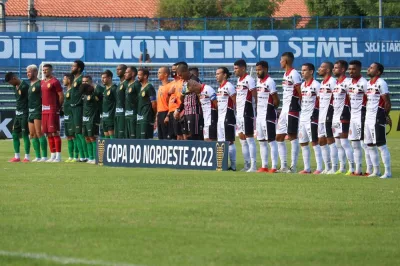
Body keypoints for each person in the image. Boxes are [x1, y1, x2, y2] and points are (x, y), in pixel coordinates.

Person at [276, 52, 302, 173]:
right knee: (279, 136)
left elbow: (300, 91)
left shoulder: (294, 74)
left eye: (281, 60)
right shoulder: (286, 75)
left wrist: (300, 106)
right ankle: (284, 166)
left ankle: (293, 166)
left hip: (292, 108)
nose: (280, 62)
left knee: (292, 136)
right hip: (284, 109)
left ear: (285, 61)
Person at [365, 62, 392, 178]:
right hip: (368, 117)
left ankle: (388, 172)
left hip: (377, 117)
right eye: (369, 67)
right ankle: (376, 171)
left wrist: (385, 116)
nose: (369, 69)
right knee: (370, 145)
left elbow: (387, 102)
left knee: (381, 145)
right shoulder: (368, 84)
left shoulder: (381, 83)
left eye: (371, 68)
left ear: (378, 72)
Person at [255, 61, 279, 173]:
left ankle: (274, 167)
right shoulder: (258, 81)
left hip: (268, 115)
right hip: (259, 116)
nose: (257, 72)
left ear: (265, 69)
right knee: (261, 141)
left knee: (271, 141)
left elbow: (276, 100)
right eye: (256, 70)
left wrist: (270, 109)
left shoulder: (270, 82)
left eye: (259, 70)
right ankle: (264, 166)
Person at [348, 60, 371, 176]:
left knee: (364, 144)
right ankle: (358, 170)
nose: (351, 71)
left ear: (359, 69)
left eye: (354, 69)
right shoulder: (349, 83)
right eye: (350, 69)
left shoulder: (364, 83)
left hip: (362, 116)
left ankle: (369, 170)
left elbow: (369, 99)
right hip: (353, 117)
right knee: (355, 144)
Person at [298, 63, 322, 174]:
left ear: (311, 72)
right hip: (302, 118)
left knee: (315, 142)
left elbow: (320, 101)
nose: (302, 72)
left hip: (312, 118)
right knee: (303, 143)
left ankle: (319, 168)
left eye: (305, 70)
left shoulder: (317, 85)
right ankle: (307, 168)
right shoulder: (302, 85)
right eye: (302, 70)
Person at [234, 59, 257, 172]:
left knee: (249, 138)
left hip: (247, 112)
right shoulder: (239, 80)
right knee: (242, 138)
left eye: (236, 68)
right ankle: (247, 164)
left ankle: (253, 165)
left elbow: (254, 95)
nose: (235, 71)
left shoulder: (249, 80)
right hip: (239, 113)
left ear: (243, 68)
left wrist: (255, 109)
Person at [332, 60, 354, 174]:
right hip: (335, 116)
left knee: (345, 142)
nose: (333, 69)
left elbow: (351, 99)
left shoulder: (348, 82)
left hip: (343, 115)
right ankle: (342, 168)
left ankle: (352, 168)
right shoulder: (336, 83)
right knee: (338, 144)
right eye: (334, 67)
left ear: (342, 69)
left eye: (336, 67)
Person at [317, 62, 338, 174]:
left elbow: (337, 98)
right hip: (321, 116)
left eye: (322, 67)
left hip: (329, 116)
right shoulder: (322, 83)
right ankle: (327, 167)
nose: (319, 69)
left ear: (328, 70)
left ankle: (334, 168)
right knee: (321, 141)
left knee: (331, 140)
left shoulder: (332, 82)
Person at [184, 71, 217, 141]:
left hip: (211, 119)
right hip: (206, 120)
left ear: (195, 85)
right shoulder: (200, 93)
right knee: (206, 140)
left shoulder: (208, 89)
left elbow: (216, 104)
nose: (194, 92)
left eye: (194, 90)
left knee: (212, 141)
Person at [5, 72, 31, 162]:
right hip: (18, 113)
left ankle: (27, 157)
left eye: (10, 82)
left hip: (25, 113)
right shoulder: (14, 86)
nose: (10, 84)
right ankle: (17, 156)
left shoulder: (24, 86)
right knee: (15, 134)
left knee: (24, 134)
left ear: (14, 78)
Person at [40, 64, 64, 162]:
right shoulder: (42, 82)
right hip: (44, 110)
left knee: (55, 132)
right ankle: (52, 155)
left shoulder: (55, 81)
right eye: (43, 70)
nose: (44, 71)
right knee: (48, 133)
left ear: (51, 70)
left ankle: (58, 156)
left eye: (46, 70)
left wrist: (58, 107)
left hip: (52, 110)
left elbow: (61, 95)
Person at [216, 67, 237, 171]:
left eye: (218, 73)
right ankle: (222, 164)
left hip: (228, 117)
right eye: (216, 74)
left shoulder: (229, 86)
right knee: (221, 141)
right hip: (220, 118)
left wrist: (234, 115)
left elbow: (235, 101)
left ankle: (233, 166)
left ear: (224, 75)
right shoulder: (220, 87)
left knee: (230, 141)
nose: (216, 76)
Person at [175, 63, 204, 140]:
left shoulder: (194, 80)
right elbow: (183, 98)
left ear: (185, 71)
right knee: (188, 137)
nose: (180, 77)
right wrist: (179, 110)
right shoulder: (185, 82)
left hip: (194, 112)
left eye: (181, 75)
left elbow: (200, 96)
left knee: (194, 136)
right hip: (187, 112)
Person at [26, 64, 46, 162]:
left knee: (39, 133)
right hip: (30, 112)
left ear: (35, 72)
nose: (27, 74)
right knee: (32, 134)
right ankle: (38, 156)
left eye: (29, 72)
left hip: (38, 110)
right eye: (27, 72)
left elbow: (45, 96)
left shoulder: (40, 83)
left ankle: (44, 156)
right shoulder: (30, 85)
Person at [70, 60, 88, 162]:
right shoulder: (74, 79)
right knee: (76, 134)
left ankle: (86, 156)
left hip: (79, 108)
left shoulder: (81, 79)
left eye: (73, 66)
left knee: (80, 133)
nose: (71, 68)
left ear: (79, 68)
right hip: (73, 108)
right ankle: (81, 156)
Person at [81, 83, 101, 164]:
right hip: (85, 119)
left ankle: (95, 158)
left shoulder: (93, 96)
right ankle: (90, 157)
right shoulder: (84, 96)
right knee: (87, 138)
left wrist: (95, 86)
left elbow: (99, 94)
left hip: (92, 120)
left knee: (92, 138)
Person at [137, 68, 157, 139]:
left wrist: (154, 116)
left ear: (145, 76)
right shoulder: (140, 88)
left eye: (139, 75)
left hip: (146, 118)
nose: (138, 76)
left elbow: (154, 104)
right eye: (137, 75)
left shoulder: (149, 87)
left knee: (145, 140)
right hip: (139, 117)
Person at [167, 62, 185, 140]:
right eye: (172, 70)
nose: (173, 71)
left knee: (181, 134)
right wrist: (169, 93)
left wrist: (179, 110)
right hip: (172, 112)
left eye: (175, 70)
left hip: (180, 110)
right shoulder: (172, 83)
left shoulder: (183, 82)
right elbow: (168, 99)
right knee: (175, 134)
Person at [63, 73, 76, 162]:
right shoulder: (67, 90)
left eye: (64, 79)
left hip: (72, 117)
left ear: (69, 80)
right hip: (66, 116)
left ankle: (76, 156)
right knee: (68, 137)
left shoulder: (73, 91)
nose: (63, 80)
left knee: (74, 136)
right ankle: (70, 156)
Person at [124, 66, 140, 139]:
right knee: (127, 138)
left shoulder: (136, 84)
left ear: (133, 74)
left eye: (127, 72)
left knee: (133, 138)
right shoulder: (127, 85)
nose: (125, 74)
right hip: (127, 115)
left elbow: (140, 100)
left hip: (134, 115)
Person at [101, 70, 117, 138]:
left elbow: (118, 102)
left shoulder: (114, 88)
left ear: (110, 78)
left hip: (111, 116)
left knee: (111, 136)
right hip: (104, 116)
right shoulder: (104, 89)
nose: (102, 79)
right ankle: (106, 149)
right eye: (102, 78)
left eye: (104, 77)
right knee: (106, 136)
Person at [156, 67, 171, 140]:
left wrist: (168, 115)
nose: (157, 74)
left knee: (166, 136)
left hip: (166, 113)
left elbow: (171, 103)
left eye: (159, 72)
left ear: (165, 74)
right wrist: (157, 115)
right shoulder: (160, 87)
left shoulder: (170, 86)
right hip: (160, 113)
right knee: (160, 137)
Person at [115, 64, 128, 138]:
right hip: (117, 113)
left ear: (124, 71)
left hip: (124, 113)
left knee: (122, 134)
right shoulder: (119, 84)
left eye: (119, 69)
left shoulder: (126, 83)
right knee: (117, 135)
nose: (117, 71)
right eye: (117, 69)